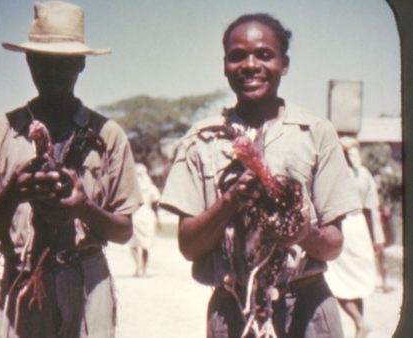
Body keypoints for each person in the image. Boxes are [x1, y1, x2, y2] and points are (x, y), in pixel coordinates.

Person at [160, 13, 361, 338]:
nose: (250, 65)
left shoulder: (315, 132)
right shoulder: (202, 140)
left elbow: (333, 246)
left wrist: (303, 233)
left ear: (285, 64)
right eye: (237, 56)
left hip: (307, 306)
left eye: (264, 55)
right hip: (232, 309)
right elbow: (189, 247)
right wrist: (230, 200)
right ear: (225, 65)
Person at [0, 2, 141, 337]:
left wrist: (84, 208)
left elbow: (123, 231)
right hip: (23, 278)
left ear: (81, 64)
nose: (53, 71)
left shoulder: (107, 134)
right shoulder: (0, 132)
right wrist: (15, 191)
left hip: (86, 279)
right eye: (44, 60)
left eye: (64, 61)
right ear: (29, 61)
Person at [325, 137, 388, 338]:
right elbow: (372, 209)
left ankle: (360, 322)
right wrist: (377, 237)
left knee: (335, 280)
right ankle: (360, 327)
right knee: (356, 281)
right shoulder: (364, 174)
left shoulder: (335, 174)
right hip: (360, 227)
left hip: (342, 225)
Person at [129, 163, 160, 277]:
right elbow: (156, 203)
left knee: (133, 244)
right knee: (145, 245)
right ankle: (144, 269)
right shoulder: (151, 188)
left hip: (135, 216)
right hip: (147, 216)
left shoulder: (131, 187)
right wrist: (157, 218)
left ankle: (138, 265)